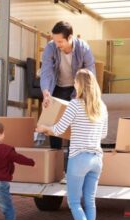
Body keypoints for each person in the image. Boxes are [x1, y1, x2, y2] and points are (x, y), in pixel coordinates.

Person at [36, 69, 108, 220]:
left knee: (74, 202)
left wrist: (44, 128)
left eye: (75, 82)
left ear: (80, 84)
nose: (74, 84)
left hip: (79, 158)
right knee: (89, 201)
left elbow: (59, 129)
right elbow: (103, 134)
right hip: (96, 160)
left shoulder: (75, 104)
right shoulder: (102, 106)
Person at [40, 20, 96, 152]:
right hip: (57, 86)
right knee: (54, 119)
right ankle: (55, 156)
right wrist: (46, 92)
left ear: (70, 38)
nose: (57, 44)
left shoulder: (83, 48)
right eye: (55, 41)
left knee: (75, 121)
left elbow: (91, 73)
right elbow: (46, 71)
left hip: (77, 89)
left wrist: (84, 95)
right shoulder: (51, 47)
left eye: (60, 42)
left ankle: (73, 154)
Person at [0, 121, 35, 220]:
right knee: (8, 210)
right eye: (3, 133)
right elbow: (18, 158)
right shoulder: (6, 150)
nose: (4, 135)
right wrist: (31, 162)